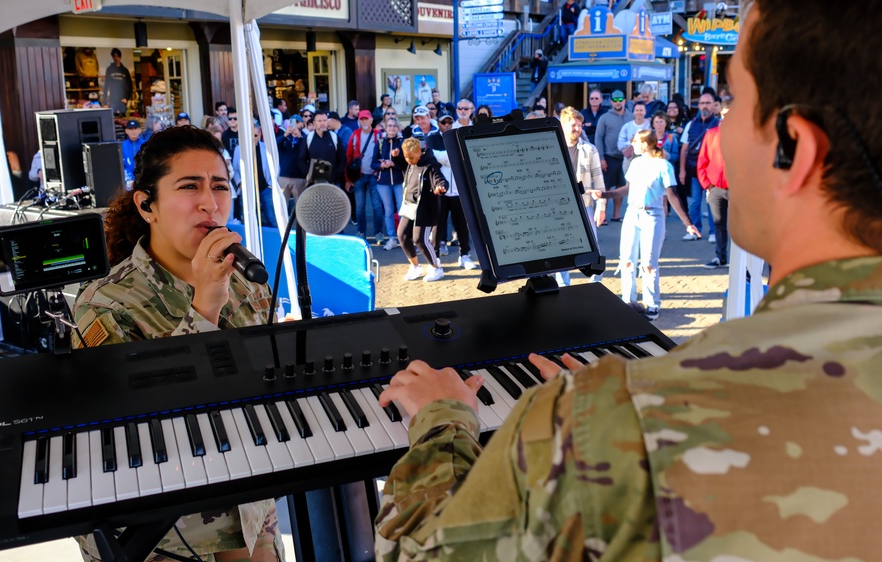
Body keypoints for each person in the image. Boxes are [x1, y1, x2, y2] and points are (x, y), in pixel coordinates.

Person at [375, 3, 882, 559]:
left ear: (795, 149)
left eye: (734, 100)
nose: (721, 131)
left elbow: (418, 554)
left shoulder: (615, 424)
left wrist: (443, 424)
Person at [71, 126, 283, 562]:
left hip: (249, 500)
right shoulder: (105, 304)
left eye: (221, 186)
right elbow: (130, 422)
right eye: (190, 186)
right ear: (147, 205)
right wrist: (204, 305)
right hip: (161, 530)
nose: (210, 202)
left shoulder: (248, 282)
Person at [593, 130, 698, 319]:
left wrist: (687, 223)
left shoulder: (663, 165)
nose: (632, 145)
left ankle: (652, 304)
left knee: (649, 263)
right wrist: (605, 195)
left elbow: (672, 195)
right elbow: (626, 190)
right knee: (626, 260)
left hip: (653, 215)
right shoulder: (635, 163)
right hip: (632, 213)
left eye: (635, 142)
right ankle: (628, 301)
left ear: (645, 144)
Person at [554, 107, 604, 286]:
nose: (577, 128)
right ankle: (562, 284)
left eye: (580, 125)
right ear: (563, 125)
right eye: (573, 125)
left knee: (593, 243)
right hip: (560, 206)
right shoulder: (553, 148)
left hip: (585, 204)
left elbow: (599, 179)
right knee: (560, 247)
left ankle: (595, 280)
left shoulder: (590, 150)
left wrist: (602, 207)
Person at [397, 137, 446, 282]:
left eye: (411, 157)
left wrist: (441, 187)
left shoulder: (430, 165)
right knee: (402, 236)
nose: (409, 161)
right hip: (409, 206)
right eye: (406, 157)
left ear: (419, 153)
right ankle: (415, 267)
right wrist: (396, 158)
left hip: (424, 208)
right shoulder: (410, 163)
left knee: (420, 240)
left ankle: (437, 268)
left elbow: (439, 178)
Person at [430, 111, 475, 270]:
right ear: (439, 123)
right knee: (438, 225)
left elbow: (463, 157)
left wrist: (446, 158)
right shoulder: (433, 138)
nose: (447, 125)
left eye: (450, 122)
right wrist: (450, 158)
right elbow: (434, 157)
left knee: (462, 224)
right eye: (444, 123)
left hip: (458, 189)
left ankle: (465, 255)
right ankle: (434, 257)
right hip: (440, 189)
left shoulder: (458, 135)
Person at [679, 92, 720, 241]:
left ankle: (714, 232)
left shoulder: (719, 124)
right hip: (694, 170)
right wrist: (682, 170)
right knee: (695, 202)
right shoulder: (691, 124)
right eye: (702, 103)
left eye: (708, 103)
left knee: (712, 203)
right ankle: (694, 231)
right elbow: (684, 149)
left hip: (712, 172)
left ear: (714, 106)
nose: (705, 106)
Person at [594, 89, 633, 223]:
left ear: (624, 101)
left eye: (620, 100)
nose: (618, 102)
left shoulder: (631, 117)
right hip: (609, 157)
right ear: (611, 102)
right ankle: (602, 214)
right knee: (605, 187)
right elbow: (598, 138)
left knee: (621, 186)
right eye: (615, 100)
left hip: (625, 157)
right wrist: (601, 158)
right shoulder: (604, 117)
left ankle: (616, 214)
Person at [347, 109, 385, 242]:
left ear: (371, 120)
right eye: (361, 119)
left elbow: (383, 154)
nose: (364, 121)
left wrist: (379, 170)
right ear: (359, 121)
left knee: (377, 206)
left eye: (366, 119)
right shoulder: (355, 135)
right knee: (360, 207)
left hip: (374, 175)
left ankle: (378, 233)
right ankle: (361, 232)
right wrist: (348, 179)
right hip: (359, 176)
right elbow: (349, 157)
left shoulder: (378, 135)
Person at [697, 122, 729, 268]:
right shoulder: (712, 134)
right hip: (715, 188)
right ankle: (720, 257)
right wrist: (707, 183)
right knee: (719, 224)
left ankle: (744, 264)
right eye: (724, 114)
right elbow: (703, 159)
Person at [232, 124, 277, 228]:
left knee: (271, 218)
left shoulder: (267, 148)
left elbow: (276, 167)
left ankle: (279, 241)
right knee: (250, 218)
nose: (253, 138)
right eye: (250, 135)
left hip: (265, 187)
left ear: (260, 135)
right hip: (248, 189)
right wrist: (240, 183)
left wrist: (270, 184)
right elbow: (235, 169)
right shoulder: (239, 149)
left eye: (255, 135)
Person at [372, 116, 405, 251]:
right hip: (383, 182)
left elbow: (406, 163)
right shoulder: (380, 143)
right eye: (389, 125)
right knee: (388, 211)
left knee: (403, 210)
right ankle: (392, 238)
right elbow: (373, 163)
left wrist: (393, 163)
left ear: (398, 128)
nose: (392, 128)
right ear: (386, 127)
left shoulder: (403, 142)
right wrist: (382, 166)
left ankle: (404, 237)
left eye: (394, 126)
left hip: (399, 180)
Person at [305, 111, 346, 187]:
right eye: (319, 121)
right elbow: (301, 159)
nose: (322, 123)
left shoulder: (335, 137)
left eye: (324, 120)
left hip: (333, 182)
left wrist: (336, 174)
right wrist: (309, 174)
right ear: (314, 123)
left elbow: (342, 158)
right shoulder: (308, 138)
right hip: (314, 182)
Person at [277, 115, 310, 205]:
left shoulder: (305, 137)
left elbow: (308, 150)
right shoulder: (285, 137)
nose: (294, 125)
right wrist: (285, 135)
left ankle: (299, 220)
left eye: (297, 122)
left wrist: (299, 138)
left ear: (302, 124)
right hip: (284, 176)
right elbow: (275, 145)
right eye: (292, 122)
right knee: (282, 205)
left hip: (299, 177)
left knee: (300, 206)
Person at [618, 101, 651, 173]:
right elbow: (620, 146)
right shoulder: (627, 127)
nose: (639, 112)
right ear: (633, 112)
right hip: (630, 160)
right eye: (637, 110)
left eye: (641, 110)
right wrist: (631, 141)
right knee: (629, 183)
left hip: (647, 159)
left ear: (645, 112)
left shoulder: (650, 126)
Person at [102, 48, 133, 115]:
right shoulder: (110, 69)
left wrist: (127, 98)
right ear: (113, 57)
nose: (116, 58)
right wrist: (105, 102)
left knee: (123, 119)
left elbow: (130, 86)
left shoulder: (125, 70)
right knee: (113, 118)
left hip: (122, 100)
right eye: (114, 56)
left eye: (117, 56)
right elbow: (106, 86)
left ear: (120, 57)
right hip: (112, 100)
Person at [121, 120, 146, 185]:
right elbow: (122, 165)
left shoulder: (146, 144)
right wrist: (129, 179)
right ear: (126, 131)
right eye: (131, 129)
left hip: (143, 179)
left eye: (135, 128)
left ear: (140, 130)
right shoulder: (122, 146)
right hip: (128, 181)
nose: (133, 131)